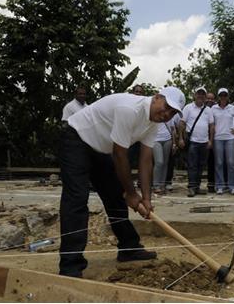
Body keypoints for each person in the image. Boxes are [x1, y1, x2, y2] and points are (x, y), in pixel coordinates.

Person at [59, 86, 185, 277]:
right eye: (166, 107)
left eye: (172, 112)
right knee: (76, 199)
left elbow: (145, 159)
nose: (166, 113)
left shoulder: (154, 122)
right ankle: (70, 266)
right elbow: (120, 154)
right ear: (157, 97)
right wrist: (132, 195)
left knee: (115, 197)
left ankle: (129, 248)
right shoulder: (130, 109)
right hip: (76, 139)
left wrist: (146, 199)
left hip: (100, 148)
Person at [179, 87, 215, 197]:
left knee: (201, 166)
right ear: (195, 95)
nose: (200, 96)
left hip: (204, 142)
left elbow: (211, 126)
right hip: (192, 142)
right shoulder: (188, 108)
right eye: (198, 94)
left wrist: (210, 140)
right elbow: (182, 124)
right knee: (192, 165)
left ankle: (197, 187)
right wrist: (180, 138)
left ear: (205, 97)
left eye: (203, 94)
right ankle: (191, 187)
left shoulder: (208, 110)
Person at [212, 88, 234, 195]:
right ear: (218, 97)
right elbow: (210, 123)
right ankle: (219, 186)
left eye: (225, 95)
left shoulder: (232, 108)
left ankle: (232, 186)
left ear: (228, 96)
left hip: (230, 138)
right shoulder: (213, 108)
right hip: (217, 138)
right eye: (221, 95)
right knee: (219, 163)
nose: (223, 97)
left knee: (231, 163)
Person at [152, 112, 180, 194]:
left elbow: (173, 130)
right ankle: (156, 185)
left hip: (167, 139)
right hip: (156, 140)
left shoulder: (169, 116)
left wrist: (174, 143)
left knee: (165, 163)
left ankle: (162, 184)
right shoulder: (154, 114)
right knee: (159, 162)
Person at [205, 92, 217, 193]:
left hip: (214, 139)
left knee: (213, 162)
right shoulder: (202, 108)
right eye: (208, 98)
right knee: (199, 163)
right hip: (201, 139)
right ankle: (194, 184)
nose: (210, 101)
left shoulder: (217, 109)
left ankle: (212, 184)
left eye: (212, 99)